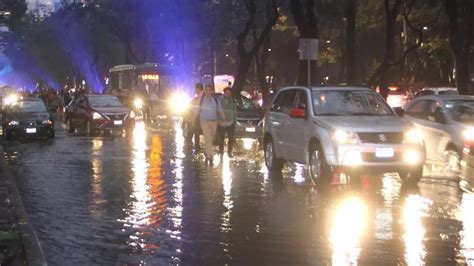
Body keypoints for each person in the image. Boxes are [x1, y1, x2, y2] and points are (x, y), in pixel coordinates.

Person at [196, 84, 226, 163]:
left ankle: (207, 151)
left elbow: (220, 110)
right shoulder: (201, 100)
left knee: (211, 138)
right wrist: (193, 118)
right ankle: (210, 155)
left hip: (214, 122)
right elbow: (196, 110)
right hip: (204, 121)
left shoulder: (215, 101)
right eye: (206, 90)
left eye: (209, 90)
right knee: (208, 138)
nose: (207, 92)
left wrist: (224, 118)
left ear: (212, 91)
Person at [218, 87, 237, 157]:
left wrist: (235, 121)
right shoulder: (220, 100)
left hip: (231, 122)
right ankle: (221, 151)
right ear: (224, 93)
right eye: (226, 93)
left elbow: (235, 112)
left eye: (229, 93)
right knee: (221, 137)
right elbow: (218, 111)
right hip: (222, 122)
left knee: (231, 138)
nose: (228, 94)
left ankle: (229, 152)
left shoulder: (233, 101)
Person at [186, 83, 204, 151]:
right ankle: (195, 147)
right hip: (195, 117)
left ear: (198, 88)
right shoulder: (197, 97)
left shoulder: (201, 97)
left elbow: (197, 108)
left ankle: (194, 147)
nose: (195, 90)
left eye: (196, 89)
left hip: (198, 117)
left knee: (194, 132)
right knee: (194, 132)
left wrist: (193, 118)